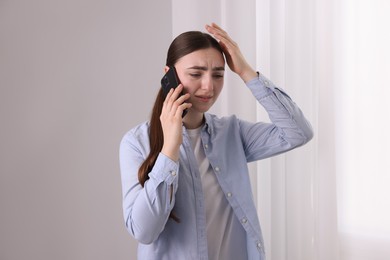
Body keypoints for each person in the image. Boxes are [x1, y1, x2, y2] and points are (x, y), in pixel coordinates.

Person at [119, 23, 313, 260]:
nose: (209, 86)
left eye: (218, 75)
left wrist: (246, 72)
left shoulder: (232, 132)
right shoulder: (137, 143)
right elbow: (143, 231)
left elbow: (298, 133)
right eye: (196, 73)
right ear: (168, 75)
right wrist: (170, 149)